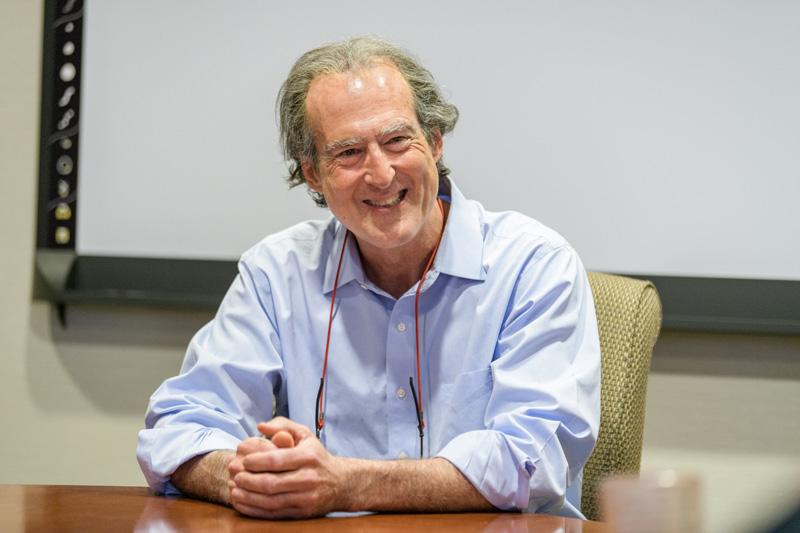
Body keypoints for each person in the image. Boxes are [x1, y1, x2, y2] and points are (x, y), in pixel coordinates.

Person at [137, 36, 601, 520]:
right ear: (313, 175)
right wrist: (258, 479)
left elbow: (533, 460)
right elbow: (177, 429)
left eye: (397, 140)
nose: (380, 174)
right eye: (349, 152)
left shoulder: (535, 266)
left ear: (435, 142)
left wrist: (345, 485)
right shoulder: (276, 274)